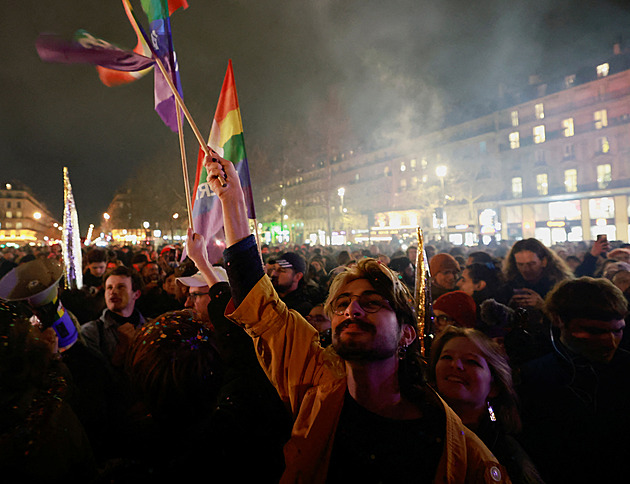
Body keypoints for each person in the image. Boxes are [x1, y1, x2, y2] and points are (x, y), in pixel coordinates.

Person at [201, 150, 510, 483]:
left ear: (407, 333)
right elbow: (261, 308)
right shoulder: (315, 387)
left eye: (372, 302)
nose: (352, 310)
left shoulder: (463, 456)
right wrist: (232, 201)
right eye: (342, 303)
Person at [517, 277, 630, 483]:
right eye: (595, 331)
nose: (611, 342)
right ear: (558, 319)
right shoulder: (532, 376)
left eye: (618, 330)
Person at [429, 327, 544, 484]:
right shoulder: (420, 429)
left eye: (471, 361)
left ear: (494, 386)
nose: (455, 365)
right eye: (447, 357)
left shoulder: (507, 453)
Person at [81, 266, 146, 367]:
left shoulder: (149, 327)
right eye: (109, 287)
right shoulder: (91, 332)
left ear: (136, 294)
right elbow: (96, 376)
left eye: (121, 287)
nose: (113, 292)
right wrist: (122, 349)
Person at [501, 238, 573, 309]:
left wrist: (543, 306)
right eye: (520, 264)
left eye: (531, 264)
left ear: (544, 262)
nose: (526, 269)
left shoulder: (560, 286)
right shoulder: (508, 284)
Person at [270, 251, 314, 317]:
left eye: (281, 270)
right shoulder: (269, 297)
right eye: (274, 269)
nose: (274, 274)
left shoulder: (303, 308)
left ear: (297, 276)